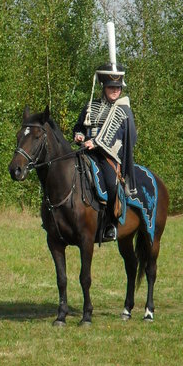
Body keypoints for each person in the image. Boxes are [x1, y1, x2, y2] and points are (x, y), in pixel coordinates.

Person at [73, 63, 138, 242]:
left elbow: (122, 133)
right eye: (111, 87)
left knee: (110, 184)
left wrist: (96, 142)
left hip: (108, 156)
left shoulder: (123, 110)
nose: (115, 90)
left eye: (118, 87)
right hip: (85, 152)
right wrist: (78, 134)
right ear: (104, 87)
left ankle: (110, 224)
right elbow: (79, 125)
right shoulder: (90, 106)